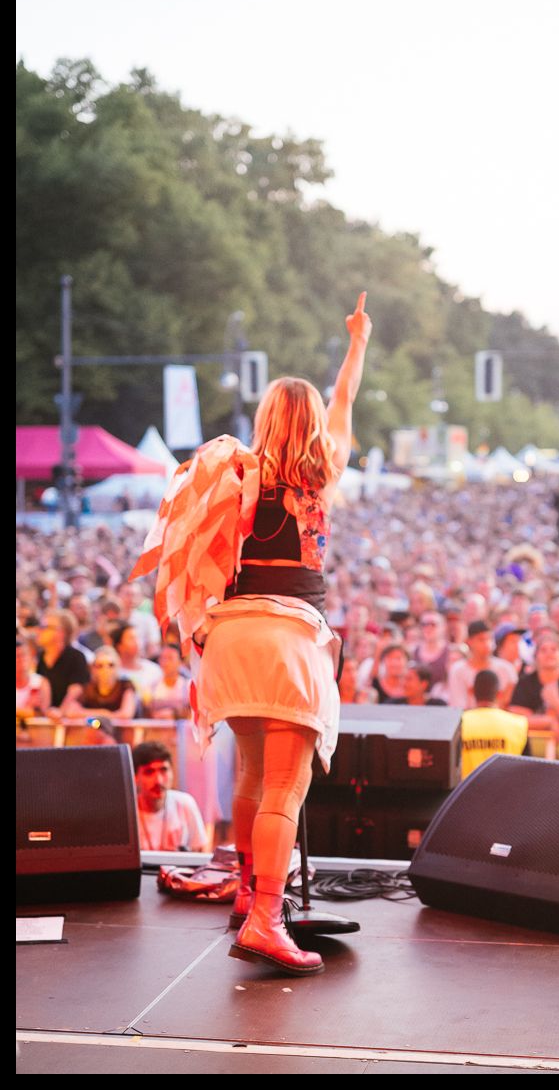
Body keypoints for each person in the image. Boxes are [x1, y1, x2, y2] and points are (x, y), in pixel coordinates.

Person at [135, 292, 372, 977]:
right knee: (284, 789)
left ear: (265, 420)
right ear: (311, 426)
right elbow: (345, 401)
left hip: (230, 639)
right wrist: (356, 342)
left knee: (249, 772)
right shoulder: (321, 475)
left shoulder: (233, 476)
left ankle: (246, 891)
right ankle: (266, 919)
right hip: (288, 638)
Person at [132, 741, 208, 852]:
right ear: (134, 777)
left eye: (164, 770)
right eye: (149, 772)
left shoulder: (185, 804)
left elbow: (201, 852)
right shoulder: (127, 812)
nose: (158, 781)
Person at [460, 670, 528, 780]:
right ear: (499, 693)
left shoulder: (458, 723)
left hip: (465, 789)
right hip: (506, 789)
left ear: (471, 692)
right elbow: (528, 768)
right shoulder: (518, 724)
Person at [61, 645, 138, 719]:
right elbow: (70, 712)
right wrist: (103, 713)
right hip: (93, 727)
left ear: (118, 666)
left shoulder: (125, 686)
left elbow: (126, 714)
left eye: (111, 665)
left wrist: (86, 714)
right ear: (93, 669)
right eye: (100, 666)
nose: (105, 670)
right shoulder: (88, 689)